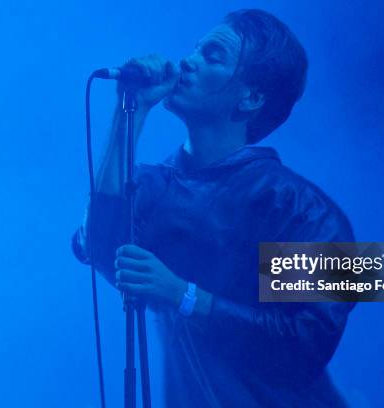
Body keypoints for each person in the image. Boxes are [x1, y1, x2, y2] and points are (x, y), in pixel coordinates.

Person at [73, 9, 355, 407]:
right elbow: (101, 245)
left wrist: (185, 296)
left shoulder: (301, 212)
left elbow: (301, 348)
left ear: (252, 97)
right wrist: (130, 108)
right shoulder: (150, 187)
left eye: (213, 56)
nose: (188, 60)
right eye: (194, 49)